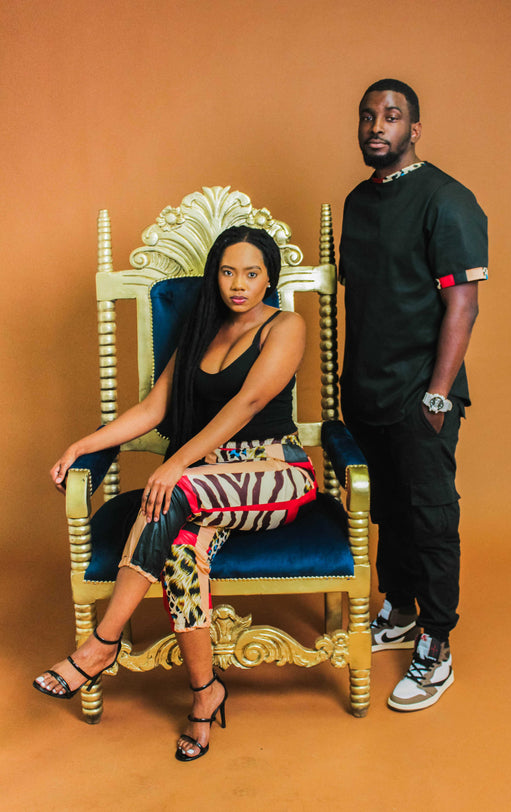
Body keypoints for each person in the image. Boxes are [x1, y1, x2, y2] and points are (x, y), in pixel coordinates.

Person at [33, 226, 317, 759]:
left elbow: (249, 403)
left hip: (275, 473)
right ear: (215, 275)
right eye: (228, 272)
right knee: (181, 555)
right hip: (206, 482)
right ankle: (206, 694)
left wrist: (177, 462)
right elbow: (152, 409)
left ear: (268, 278)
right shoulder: (202, 331)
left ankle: (101, 644)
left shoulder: (286, 325)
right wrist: (81, 445)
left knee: (171, 490)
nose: (238, 284)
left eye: (251, 273)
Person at [339, 79, 488, 712]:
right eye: (368, 116)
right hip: (366, 391)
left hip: (422, 393)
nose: (378, 126)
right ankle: (400, 611)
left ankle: (436, 643)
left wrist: (437, 396)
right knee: (390, 512)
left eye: (392, 116)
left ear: (414, 129)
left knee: (430, 516)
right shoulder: (357, 202)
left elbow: (463, 305)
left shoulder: (447, 200)